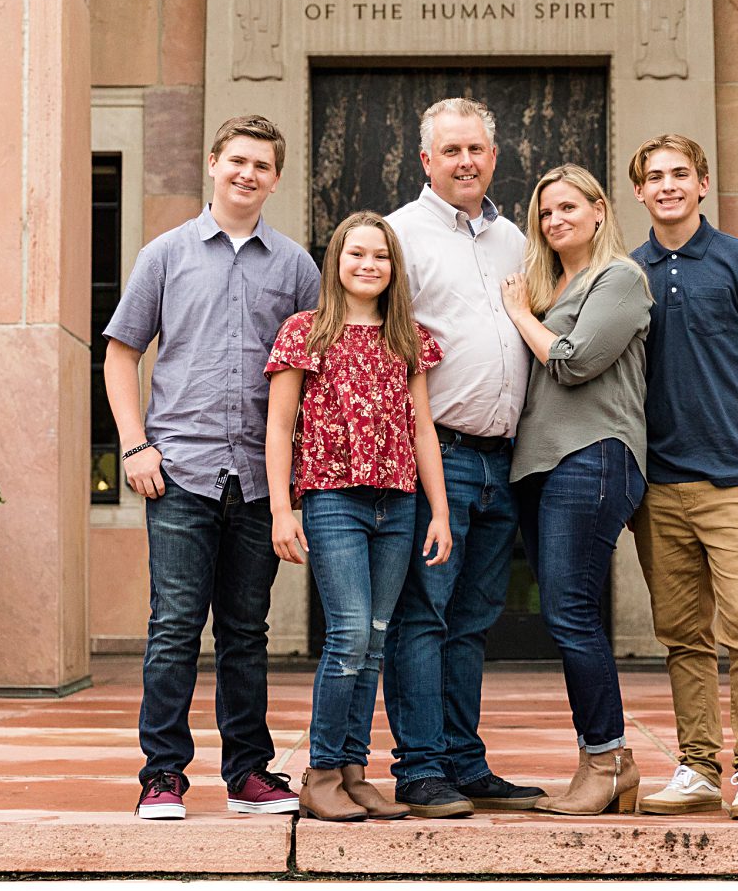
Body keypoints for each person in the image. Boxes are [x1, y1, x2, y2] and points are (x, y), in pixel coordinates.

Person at [101, 114, 319, 820]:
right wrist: (135, 445)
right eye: (238, 161)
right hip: (181, 471)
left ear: (275, 179)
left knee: (245, 632)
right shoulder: (164, 255)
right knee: (173, 627)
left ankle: (249, 773)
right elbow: (121, 353)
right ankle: (161, 776)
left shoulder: (295, 267)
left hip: (259, 476)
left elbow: (311, 373)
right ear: (213, 163)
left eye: (262, 166)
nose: (247, 174)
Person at [380, 97, 546, 818]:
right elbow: (379, 343)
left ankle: (464, 761)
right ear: (426, 160)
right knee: (423, 616)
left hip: (500, 460)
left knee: (473, 621)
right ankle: (420, 768)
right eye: (451, 151)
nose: (466, 161)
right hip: (433, 458)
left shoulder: (516, 238)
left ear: (494, 156)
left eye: (476, 149)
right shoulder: (398, 234)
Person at [625, 133, 738, 822]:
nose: (667, 185)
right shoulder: (627, 273)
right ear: (639, 192)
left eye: (680, 174)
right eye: (654, 177)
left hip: (735, 479)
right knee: (682, 633)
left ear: (702, 184)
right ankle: (697, 766)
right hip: (659, 485)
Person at [263, 211, 454, 822]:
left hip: (397, 504)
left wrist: (440, 512)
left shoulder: (407, 338)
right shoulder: (306, 332)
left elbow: (423, 428)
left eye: (380, 256)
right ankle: (320, 771)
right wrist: (280, 510)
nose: (368, 265)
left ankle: (352, 769)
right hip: (333, 499)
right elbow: (279, 426)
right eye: (356, 254)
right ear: (336, 262)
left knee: (374, 641)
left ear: (394, 268)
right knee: (347, 635)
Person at [498, 163, 651, 816]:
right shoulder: (550, 283)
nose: (556, 221)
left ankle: (609, 760)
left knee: (572, 615)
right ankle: (605, 761)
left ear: (598, 211)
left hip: (593, 458)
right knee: (567, 614)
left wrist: (517, 314)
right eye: (546, 214)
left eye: (567, 208)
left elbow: (574, 360)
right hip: (540, 466)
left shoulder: (619, 278)